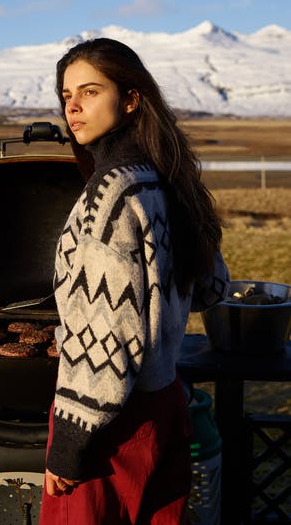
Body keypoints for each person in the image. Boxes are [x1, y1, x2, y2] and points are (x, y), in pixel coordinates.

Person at [39, 38, 230, 525]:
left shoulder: (114, 193)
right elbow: (212, 289)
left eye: (89, 91)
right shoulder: (166, 179)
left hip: (110, 428)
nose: (73, 106)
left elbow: (111, 332)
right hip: (165, 410)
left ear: (130, 99)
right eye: (66, 95)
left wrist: (70, 444)